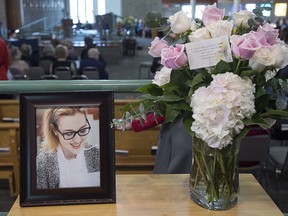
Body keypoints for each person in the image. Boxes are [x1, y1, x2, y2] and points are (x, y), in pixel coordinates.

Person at [36, 107, 100, 189]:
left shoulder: (97, 154)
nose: (77, 140)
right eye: (69, 133)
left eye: (82, 130)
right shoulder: (43, 161)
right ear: (54, 130)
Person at [120, 113, 192, 174]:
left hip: (182, 132)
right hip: (188, 130)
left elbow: (164, 110)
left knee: (173, 173)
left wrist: (136, 124)